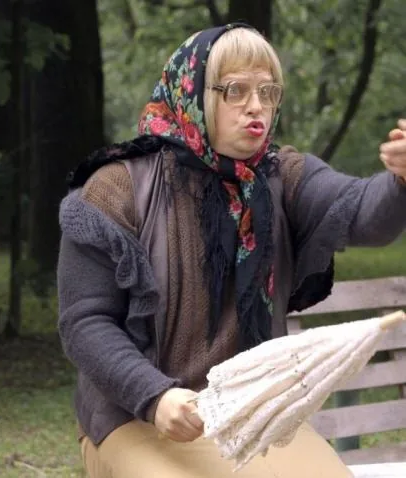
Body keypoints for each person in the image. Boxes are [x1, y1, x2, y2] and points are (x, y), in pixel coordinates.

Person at [57, 23, 406, 478]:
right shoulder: (116, 188)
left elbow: (363, 213)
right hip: (136, 415)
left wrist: (401, 180)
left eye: (268, 91)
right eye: (236, 90)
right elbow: (85, 323)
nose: (256, 106)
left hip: (251, 413)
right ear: (193, 93)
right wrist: (155, 396)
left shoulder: (282, 176)